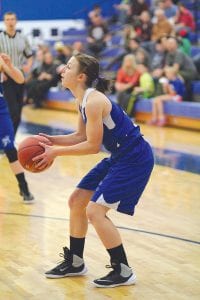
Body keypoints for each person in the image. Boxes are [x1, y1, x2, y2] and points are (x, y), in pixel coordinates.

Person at [32, 53, 154, 288]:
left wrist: (55, 152)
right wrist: (51, 140)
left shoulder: (94, 100)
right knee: (76, 200)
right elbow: (80, 136)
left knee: (95, 211)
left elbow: (92, 146)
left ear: (80, 76)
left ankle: (123, 270)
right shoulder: (82, 100)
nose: (62, 70)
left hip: (134, 158)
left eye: (68, 67)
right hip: (119, 156)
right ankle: (76, 262)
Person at [0, 53, 34, 203]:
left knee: (9, 147)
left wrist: (10, 66)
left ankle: (23, 187)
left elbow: (20, 79)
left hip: (1, 109)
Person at [0, 12, 33, 136]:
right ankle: (6, 139)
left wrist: (28, 66)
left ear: (16, 21)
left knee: (18, 111)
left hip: (19, 76)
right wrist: (1, 71)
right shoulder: (0, 37)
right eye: (7, 19)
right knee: (11, 110)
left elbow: (29, 55)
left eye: (12, 19)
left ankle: (11, 138)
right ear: (4, 22)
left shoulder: (22, 37)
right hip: (6, 76)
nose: (10, 21)